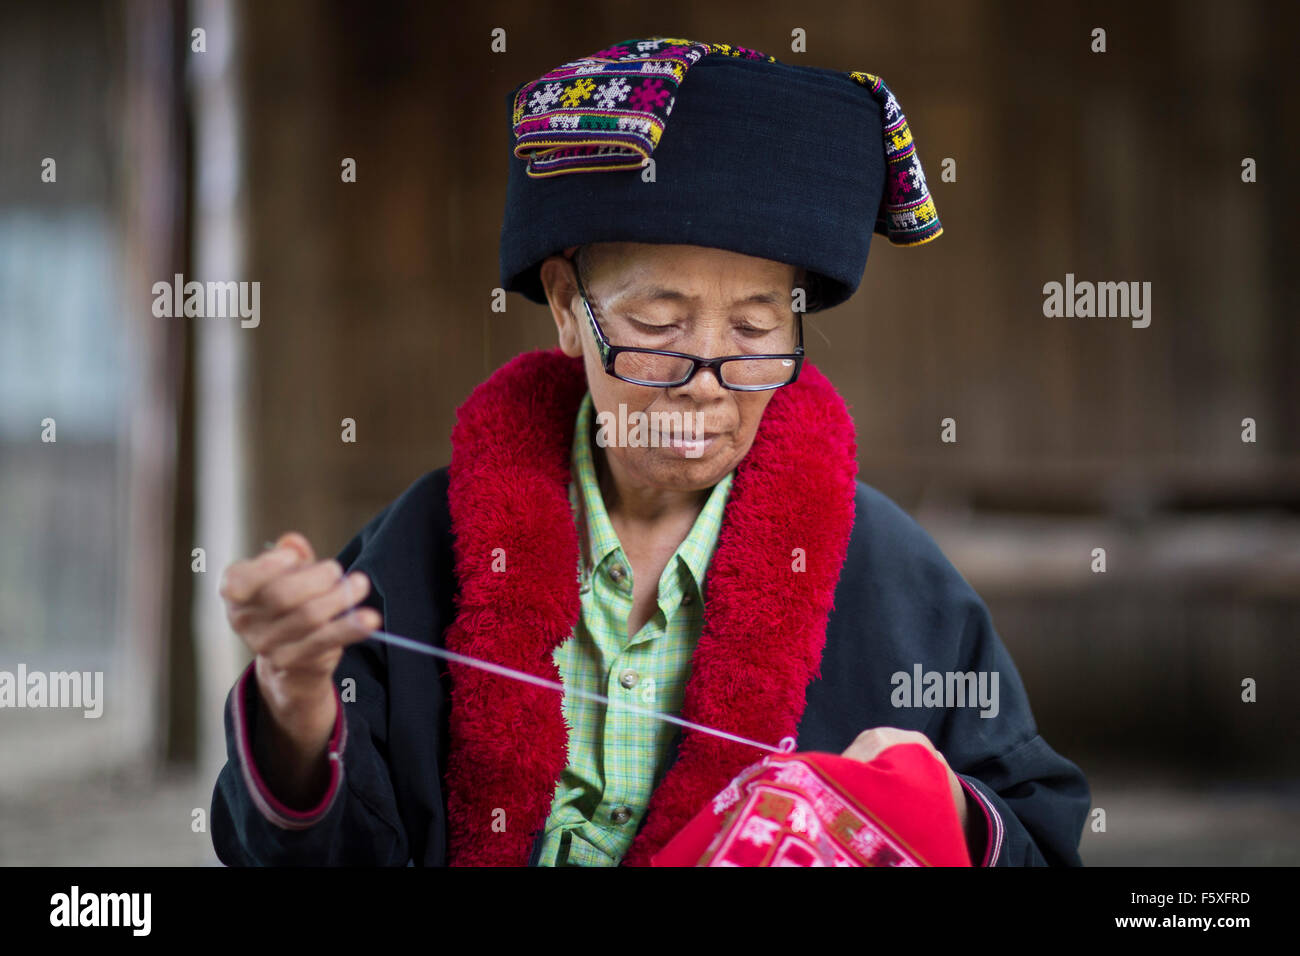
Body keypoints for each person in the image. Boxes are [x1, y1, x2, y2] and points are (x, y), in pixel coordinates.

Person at [210, 36, 1090, 867]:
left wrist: (949, 813)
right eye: (658, 324)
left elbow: (1038, 834)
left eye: (755, 329)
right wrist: (295, 698)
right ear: (565, 307)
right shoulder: (427, 546)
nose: (705, 380)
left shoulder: (892, 581)